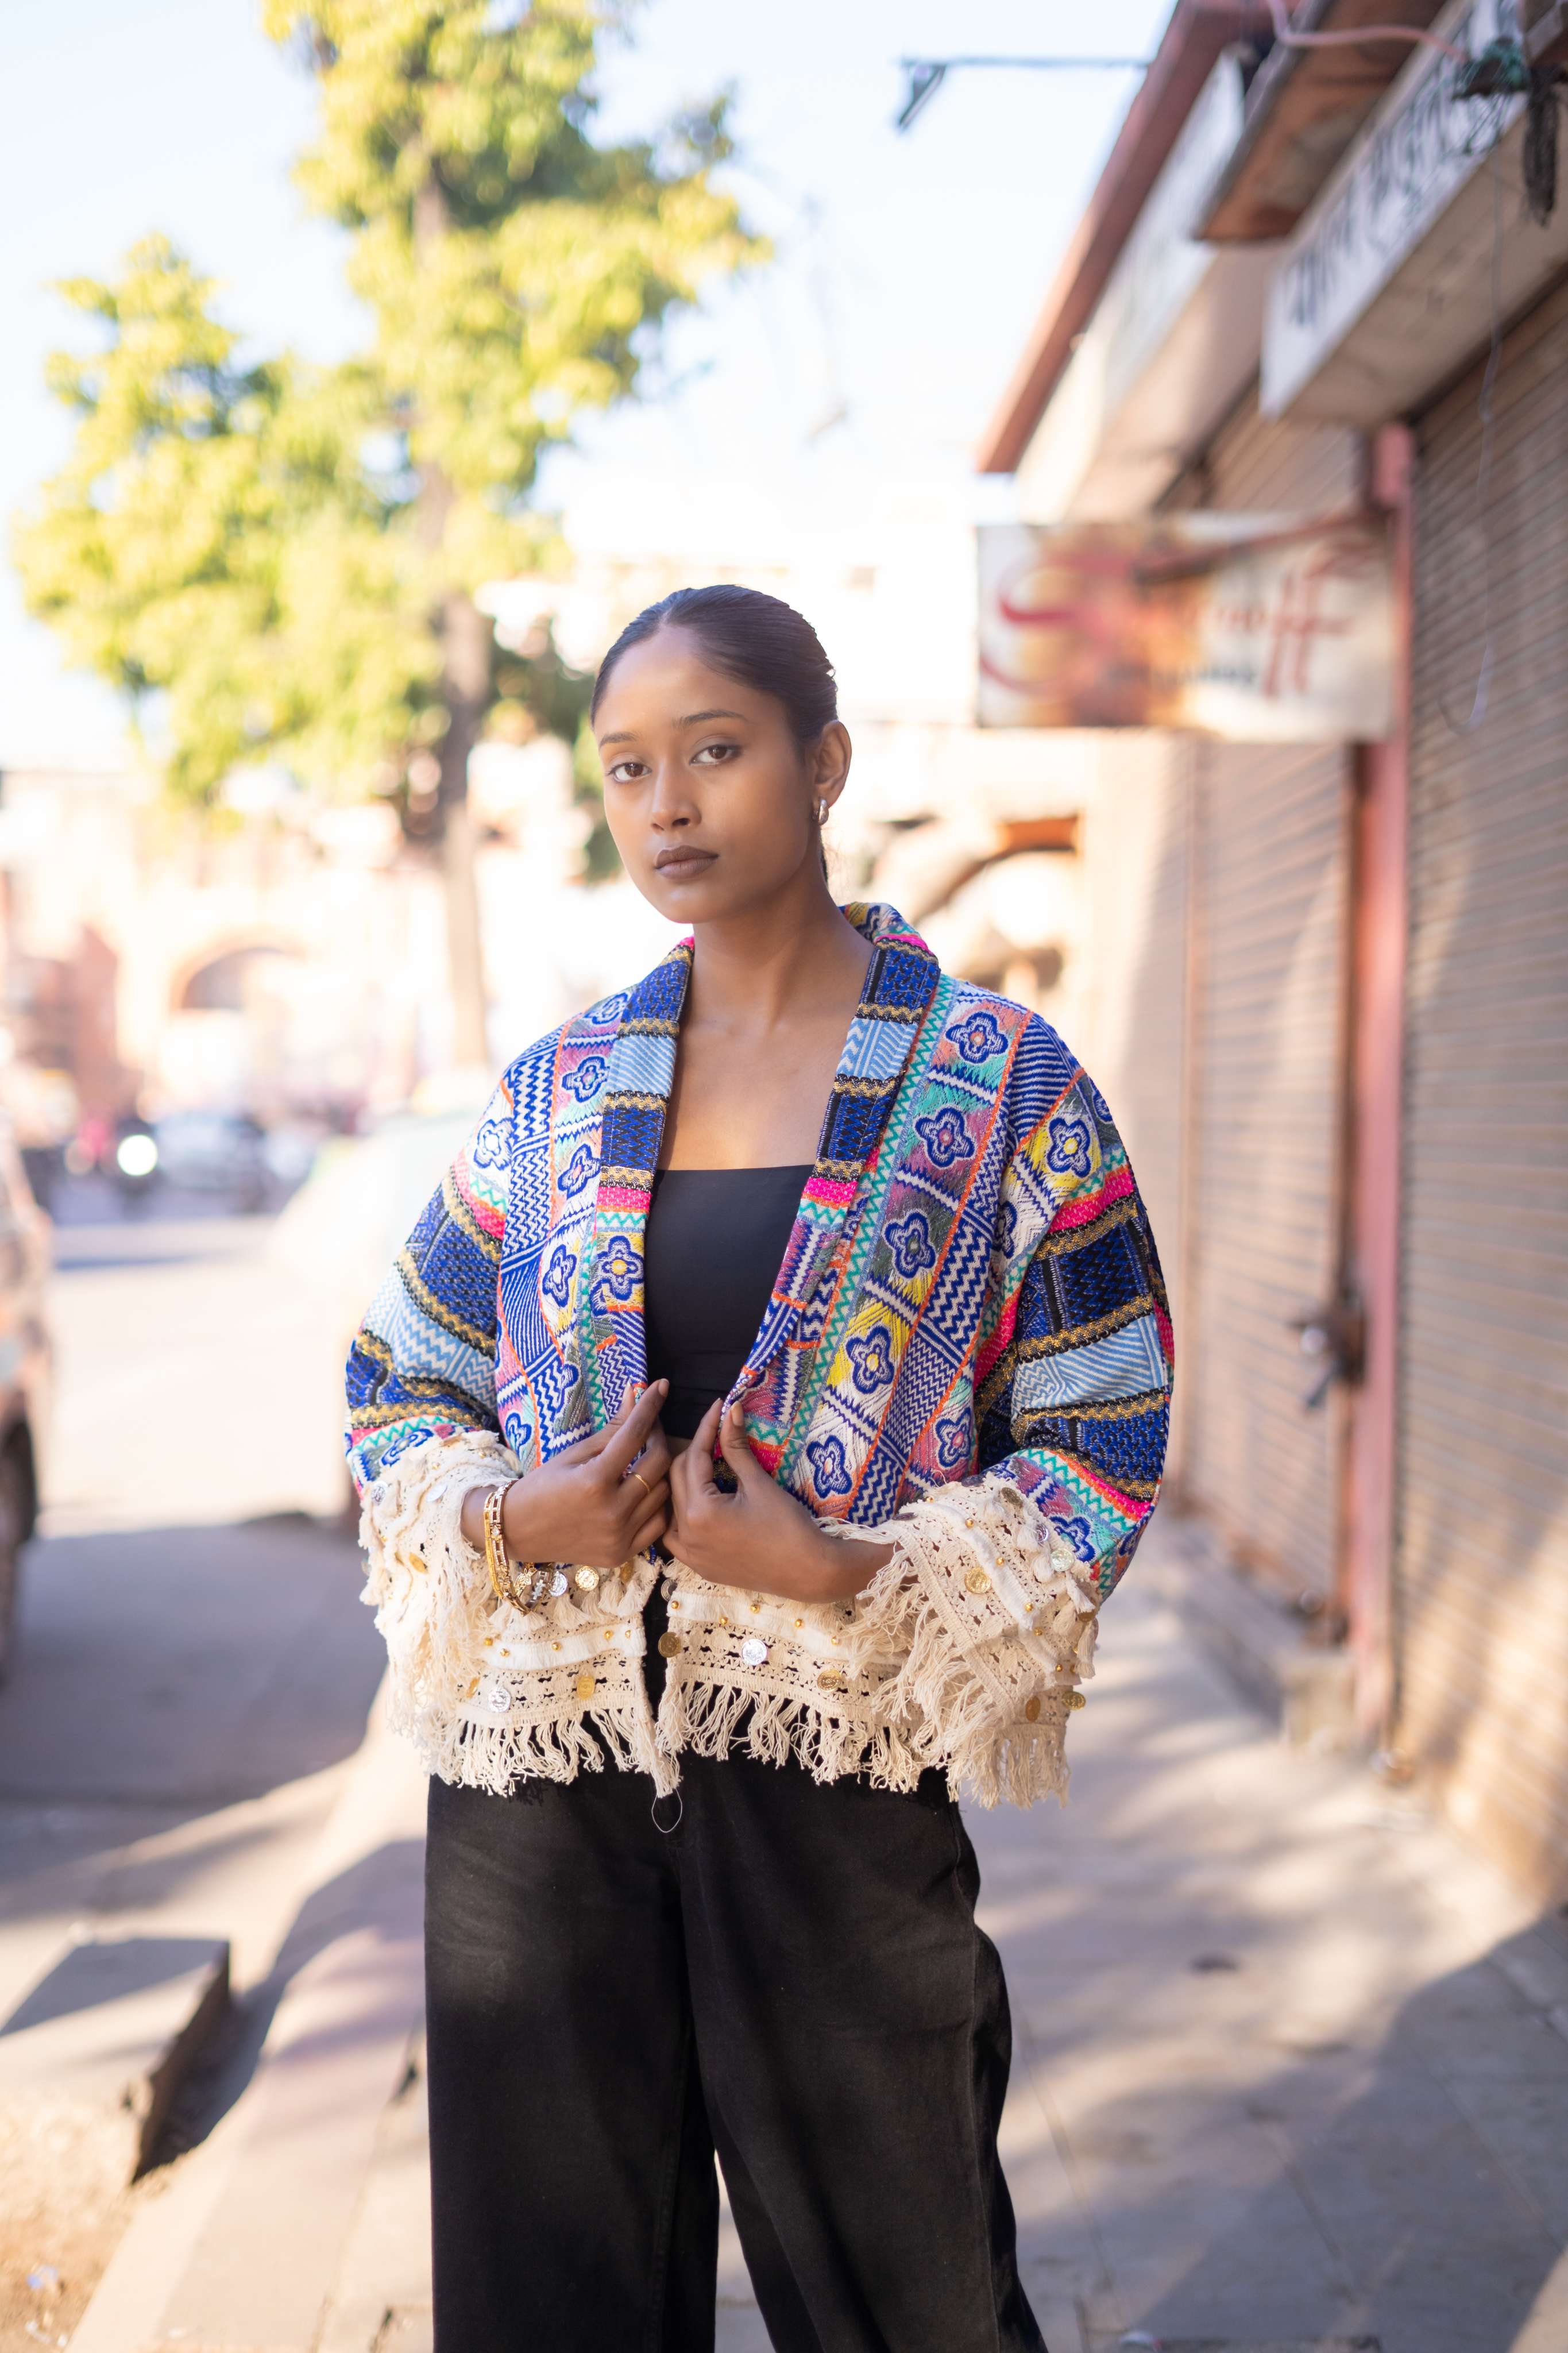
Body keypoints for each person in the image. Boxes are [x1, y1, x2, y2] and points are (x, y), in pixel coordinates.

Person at [346, 584, 1172, 2353]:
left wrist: (841, 1571)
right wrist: (514, 1512)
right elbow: (397, 1377)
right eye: (628, 766)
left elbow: (1104, 1428)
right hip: (536, 1776)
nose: (666, 805)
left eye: (713, 752)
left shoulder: (1002, 1086)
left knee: (907, 2290)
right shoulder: (556, 1093)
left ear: (822, 765)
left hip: (830, 1771)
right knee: (545, 2297)